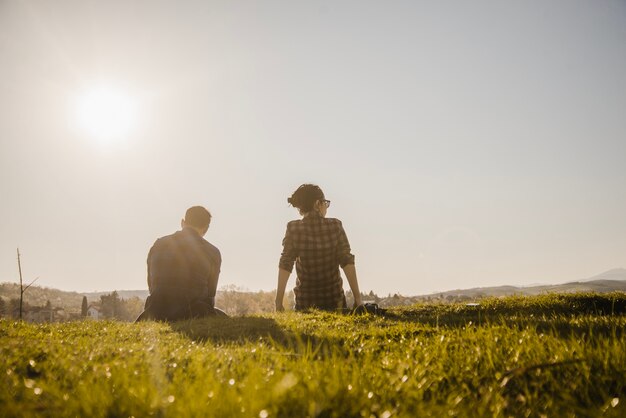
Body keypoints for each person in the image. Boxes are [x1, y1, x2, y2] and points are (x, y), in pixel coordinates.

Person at [275, 184, 363, 311]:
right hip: (335, 302)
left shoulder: (293, 228)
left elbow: (285, 264)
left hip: (305, 304)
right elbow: (347, 262)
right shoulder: (335, 226)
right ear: (317, 204)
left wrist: (278, 302)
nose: (326, 208)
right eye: (325, 203)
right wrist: (358, 299)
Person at [136, 206, 225, 321]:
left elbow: (152, 285)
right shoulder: (212, 252)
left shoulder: (158, 244)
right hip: (194, 311)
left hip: (157, 311)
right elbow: (210, 295)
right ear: (206, 228)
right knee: (226, 320)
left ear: (183, 222)